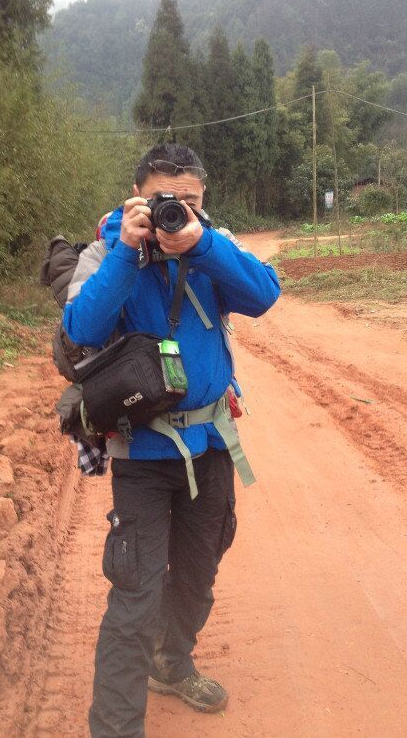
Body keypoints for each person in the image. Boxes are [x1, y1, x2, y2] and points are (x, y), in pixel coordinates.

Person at [63, 143, 280, 738]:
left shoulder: (213, 243)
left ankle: (173, 662)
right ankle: (115, 728)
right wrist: (128, 253)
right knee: (134, 593)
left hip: (212, 444)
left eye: (191, 201)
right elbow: (81, 327)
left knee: (198, 573)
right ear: (138, 195)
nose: (177, 211)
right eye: (166, 200)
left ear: (204, 202)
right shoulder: (108, 252)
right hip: (142, 452)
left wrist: (202, 244)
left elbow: (263, 296)